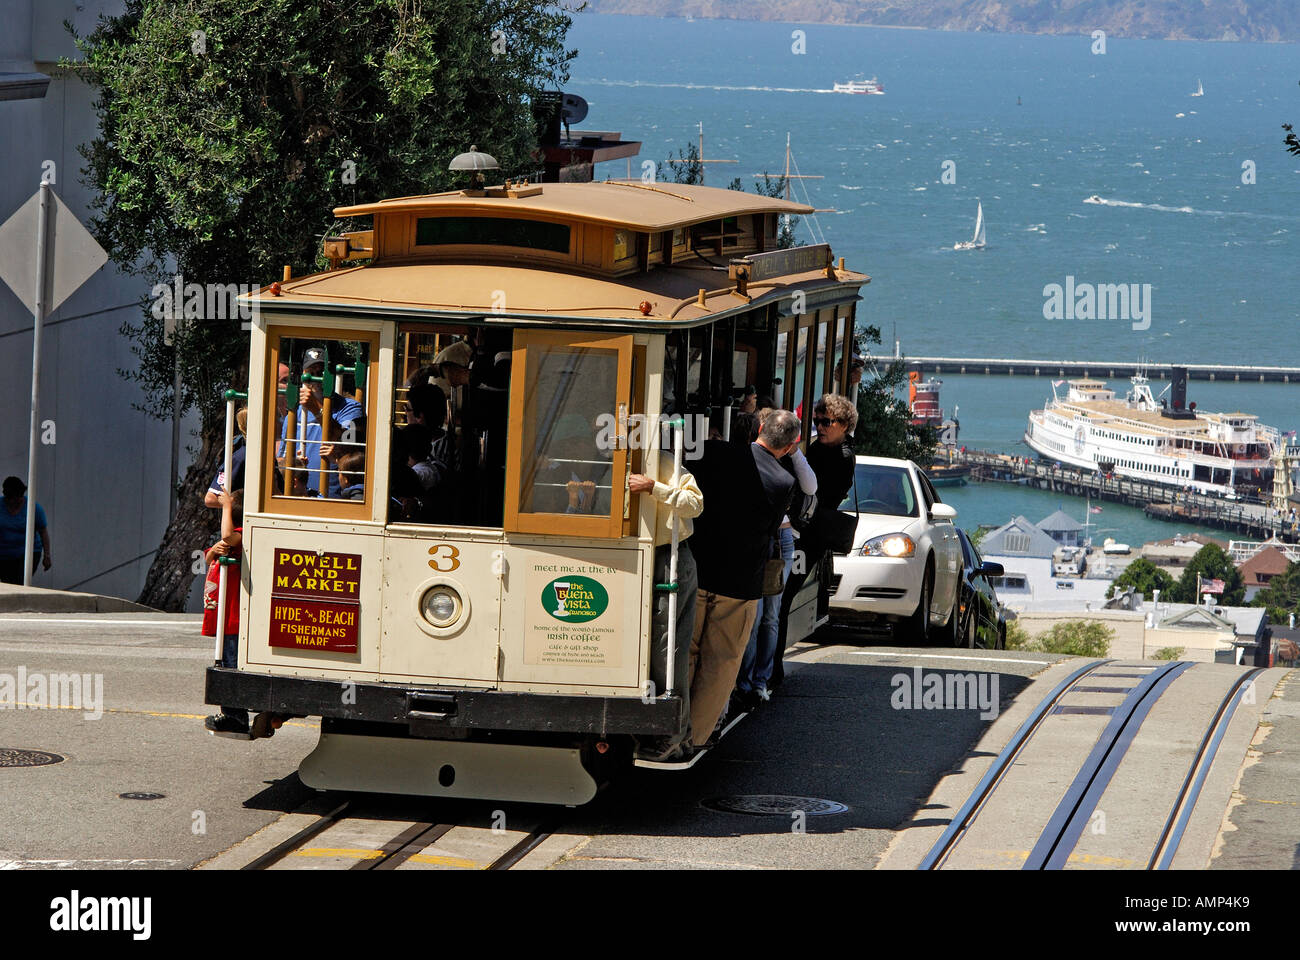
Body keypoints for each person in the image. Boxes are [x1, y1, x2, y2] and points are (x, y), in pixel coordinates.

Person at [686, 408, 799, 752]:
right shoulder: (784, 483)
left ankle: (666, 727)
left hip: (700, 569)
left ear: (760, 427)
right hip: (740, 583)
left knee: (685, 652)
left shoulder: (717, 452)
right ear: (791, 445)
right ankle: (694, 738)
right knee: (720, 663)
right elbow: (770, 529)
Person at [773, 393, 858, 688]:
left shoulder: (843, 457)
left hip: (811, 535)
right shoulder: (820, 449)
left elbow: (818, 491)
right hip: (801, 530)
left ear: (845, 425)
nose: (820, 427)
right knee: (780, 597)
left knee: (783, 597)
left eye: (827, 422)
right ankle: (771, 664)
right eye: (817, 421)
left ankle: (773, 667)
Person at [628, 449, 704, 762]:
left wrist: (652, 487)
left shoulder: (659, 460)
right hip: (635, 557)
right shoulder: (611, 460)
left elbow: (695, 504)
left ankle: (674, 734)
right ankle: (669, 731)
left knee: (666, 651)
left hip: (668, 558)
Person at [735, 419, 817, 708]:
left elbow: (811, 485)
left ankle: (760, 681)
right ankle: (744, 682)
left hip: (781, 537)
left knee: (770, 615)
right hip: (763, 536)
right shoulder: (750, 457)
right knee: (754, 615)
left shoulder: (788, 464)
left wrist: (795, 454)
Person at [203, 489, 247, 735]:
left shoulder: (240, 535)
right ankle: (230, 712)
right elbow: (209, 558)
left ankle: (236, 716)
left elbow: (228, 534)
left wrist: (227, 506)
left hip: (232, 614)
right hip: (221, 611)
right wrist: (214, 551)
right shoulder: (229, 539)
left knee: (231, 662)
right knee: (224, 659)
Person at [0, 476, 51, 585]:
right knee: (6, 583)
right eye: (13, 498)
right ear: (7, 497)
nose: (17, 501)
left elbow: (43, 532)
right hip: (4, 553)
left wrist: (47, 556)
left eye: (19, 497)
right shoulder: (1, 506)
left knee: (18, 582)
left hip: (28, 553)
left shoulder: (33, 508)